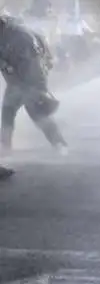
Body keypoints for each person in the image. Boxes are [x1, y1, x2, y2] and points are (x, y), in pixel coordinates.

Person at [0, 15, 67, 169]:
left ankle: (60, 144)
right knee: (8, 114)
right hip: (17, 82)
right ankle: (5, 149)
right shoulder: (15, 31)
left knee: (37, 115)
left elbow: (34, 63)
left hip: (29, 82)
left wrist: (38, 89)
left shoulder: (19, 36)